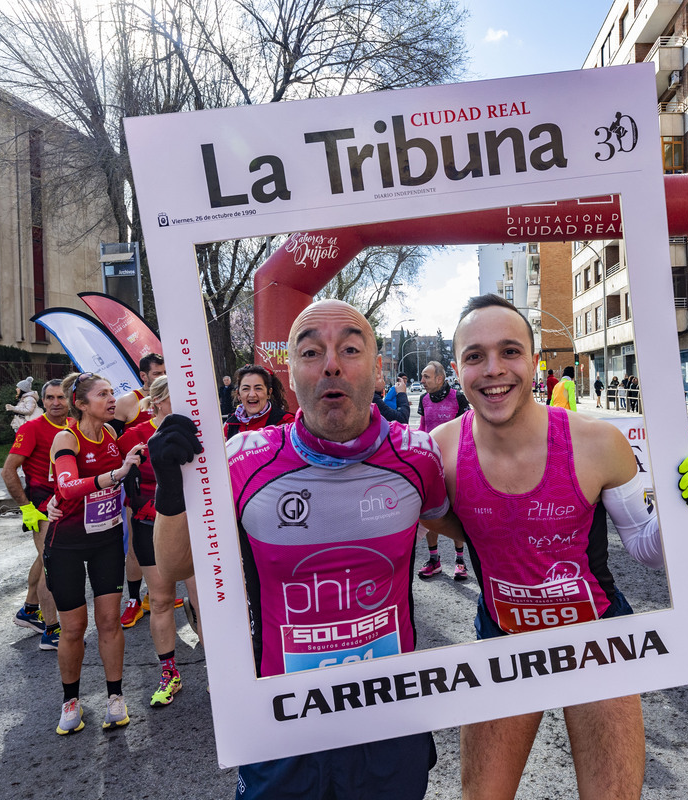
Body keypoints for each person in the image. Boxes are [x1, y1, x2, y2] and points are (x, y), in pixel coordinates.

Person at [150, 299, 463, 799]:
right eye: (312, 351)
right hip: (281, 724)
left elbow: (478, 532)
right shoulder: (244, 461)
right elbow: (175, 565)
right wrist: (172, 489)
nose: (332, 363)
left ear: (376, 367)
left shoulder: (416, 456)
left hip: (387, 721)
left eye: (350, 348)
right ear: (290, 372)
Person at [429, 294, 688, 800]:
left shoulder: (597, 442)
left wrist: (684, 513)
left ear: (536, 361)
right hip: (503, 638)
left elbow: (646, 551)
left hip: (597, 641)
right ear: (457, 369)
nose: (494, 369)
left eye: (510, 351)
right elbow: (447, 521)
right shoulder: (440, 450)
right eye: (475, 355)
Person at [46, 372, 145, 735]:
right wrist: (112, 477)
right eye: (102, 394)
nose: (111, 399)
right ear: (82, 404)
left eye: (112, 393)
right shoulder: (66, 437)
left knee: (109, 621)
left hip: (105, 539)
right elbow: (67, 486)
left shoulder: (112, 435)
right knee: (73, 627)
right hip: (67, 544)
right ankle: (70, 701)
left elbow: (141, 402)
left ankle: (114, 698)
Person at [117, 376, 199, 707]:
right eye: (175, 397)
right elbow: (126, 488)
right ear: (159, 401)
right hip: (150, 524)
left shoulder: (198, 428)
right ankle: (169, 674)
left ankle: (221, 673)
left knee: (202, 601)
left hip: (194, 526)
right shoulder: (135, 437)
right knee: (162, 601)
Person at [2, 379, 69, 651]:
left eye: (61, 397)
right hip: (42, 508)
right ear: (42, 401)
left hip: (68, 506)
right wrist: (26, 507)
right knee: (52, 565)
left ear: (70, 400)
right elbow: (8, 471)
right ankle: (51, 632)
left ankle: (30, 610)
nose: (56, 402)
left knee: (44, 559)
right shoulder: (32, 429)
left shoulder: (73, 426)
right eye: (50, 398)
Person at [116, 352, 166, 628]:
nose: (162, 377)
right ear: (143, 376)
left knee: (168, 547)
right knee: (137, 546)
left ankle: (156, 593)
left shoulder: (175, 396)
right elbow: (109, 441)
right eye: (157, 373)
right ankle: (133, 600)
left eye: (164, 372)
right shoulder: (128, 403)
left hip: (169, 486)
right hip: (139, 490)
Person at [416, 360, 469, 580]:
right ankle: (435, 560)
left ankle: (460, 562)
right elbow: (422, 427)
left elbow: (468, 428)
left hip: (455, 465)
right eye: (422, 376)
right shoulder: (423, 399)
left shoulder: (457, 398)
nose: (422, 381)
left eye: (426, 376)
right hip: (430, 465)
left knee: (457, 512)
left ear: (439, 378)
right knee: (431, 513)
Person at [222, 364, 294, 439]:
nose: (252, 394)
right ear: (238, 394)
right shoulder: (229, 425)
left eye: (258, 388)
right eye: (246, 389)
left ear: (269, 393)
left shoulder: (286, 424)